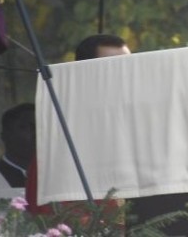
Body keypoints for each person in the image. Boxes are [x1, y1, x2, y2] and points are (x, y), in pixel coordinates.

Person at [25, 34, 131, 214]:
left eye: (129, 66)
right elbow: (51, 212)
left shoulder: (143, 123)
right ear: (86, 72)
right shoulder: (65, 128)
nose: (124, 74)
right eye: (112, 67)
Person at [0, 103, 36, 202]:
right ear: (5, 135)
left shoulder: (56, 182)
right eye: (27, 128)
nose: (35, 134)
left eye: (39, 128)